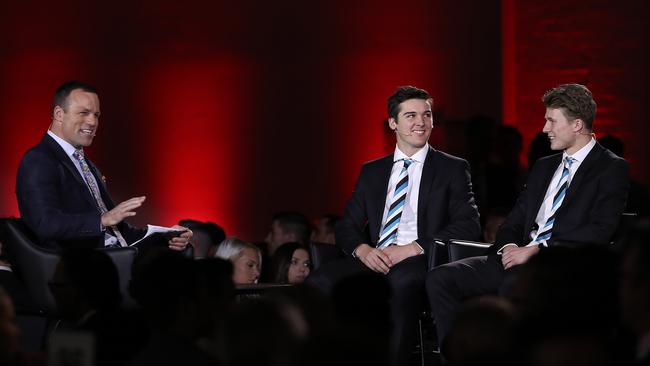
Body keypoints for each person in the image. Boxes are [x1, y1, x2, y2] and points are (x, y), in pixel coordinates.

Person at [425, 83, 630, 353]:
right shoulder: (544, 166)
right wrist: (509, 246)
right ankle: (459, 359)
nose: (545, 128)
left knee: (516, 285)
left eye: (551, 120)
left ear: (577, 125)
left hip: (560, 267)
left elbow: (599, 231)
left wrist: (536, 251)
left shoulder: (611, 167)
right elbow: (515, 219)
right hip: (514, 257)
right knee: (440, 278)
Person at [308, 86, 481, 366]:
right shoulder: (372, 171)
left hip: (419, 257)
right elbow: (347, 226)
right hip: (374, 256)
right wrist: (363, 250)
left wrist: (411, 248)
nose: (420, 123)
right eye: (411, 115)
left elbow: (468, 226)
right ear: (393, 123)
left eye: (426, 115)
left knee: (402, 281)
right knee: (319, 281)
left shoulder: (452, 168)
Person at [15, 80, 191, 250]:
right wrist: (101, 220)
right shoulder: (39, 160)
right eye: (84, 113)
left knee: (180, 254)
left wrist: (167, 235)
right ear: (59, 114)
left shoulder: (87, 165)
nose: (92, 122)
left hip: (115, 258)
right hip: (76, 266)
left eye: (96, 115)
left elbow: (119, 232)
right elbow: (44, 224)